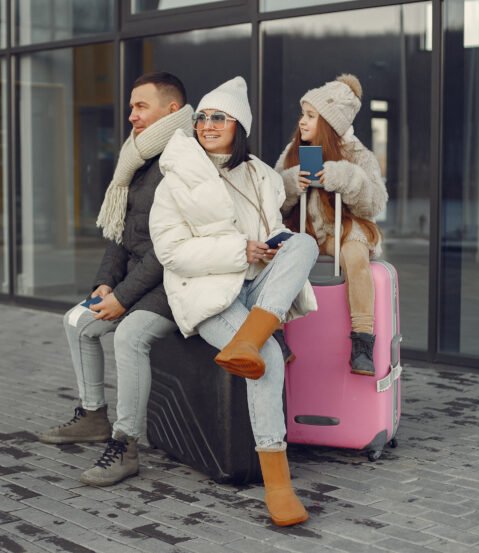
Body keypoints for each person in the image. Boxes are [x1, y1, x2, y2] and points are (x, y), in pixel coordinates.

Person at [149, 76, 319, 527]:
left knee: (303, 245)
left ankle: (250, 339)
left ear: (238, 125)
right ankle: (278, 485)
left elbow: (270, 228)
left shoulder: (261, 175)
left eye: (217, 117)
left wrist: (272, 245)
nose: (207, 124)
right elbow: (171, 253)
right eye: (202, 117)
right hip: (207, 294)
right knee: (268, 359)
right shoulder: (175, 178)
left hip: (256, 286)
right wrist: (236, 250)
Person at [37, 72, 194, 488]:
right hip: (136, 281)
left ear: (171, 110)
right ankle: (92, 416)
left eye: (141, 106)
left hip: (175, 284)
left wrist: (123, 298)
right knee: (77, 321)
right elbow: (122, 233)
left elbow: (169, 250)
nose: (131, 116)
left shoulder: (183, 159)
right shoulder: (138, 157)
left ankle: (125, 445)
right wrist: (105, 283)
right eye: (131, 107)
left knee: (129, 337)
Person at [274, 74, 388, 376]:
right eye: (303, 114)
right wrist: (288, 183)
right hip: (304, 231)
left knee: (356, 256)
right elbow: (268, 199)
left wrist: (346, 178)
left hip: (342, 231)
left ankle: (362, 342)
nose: (302, 121)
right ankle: (275, 333)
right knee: (277, 254)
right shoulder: (292, 151)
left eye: (311, 116)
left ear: (329, 122)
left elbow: (375, 202)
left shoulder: (358, 154)